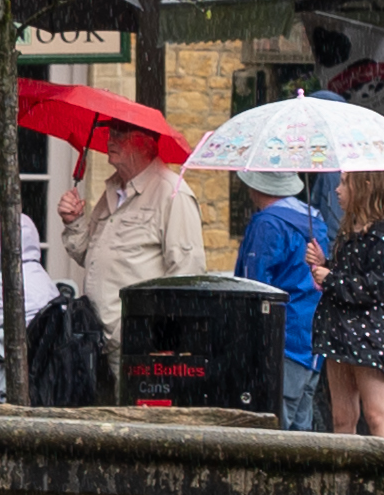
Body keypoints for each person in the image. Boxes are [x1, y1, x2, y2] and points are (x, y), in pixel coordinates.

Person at [63, 134, 211, 313]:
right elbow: (91, 258)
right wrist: (74, 222)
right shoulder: (114, 189)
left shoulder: (172, 193)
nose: (110, 140)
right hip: (96, 332)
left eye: (122, 134)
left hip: (139, 334)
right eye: (110, 132)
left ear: (146, 144)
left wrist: (155, 330)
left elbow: (187, 274)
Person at [232, 171, 332, 428]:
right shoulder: (315, 221)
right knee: (302, 421)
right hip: (312, 335)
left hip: (281, 337)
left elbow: (254, 286)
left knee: (275, 422)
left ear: (256, 187)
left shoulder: (267, 223)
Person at [324, 169, 384, 440]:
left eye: (345, 183)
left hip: (369, 333)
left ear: (366, 186)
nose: (337, 190)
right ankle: (343, 478)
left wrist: (331, 280)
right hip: (338, 329)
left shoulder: (383, 234)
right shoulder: (347, 233)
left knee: (375, 414)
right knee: (342, 417)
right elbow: (348, 277)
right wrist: (324, 266)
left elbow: (378, 286)